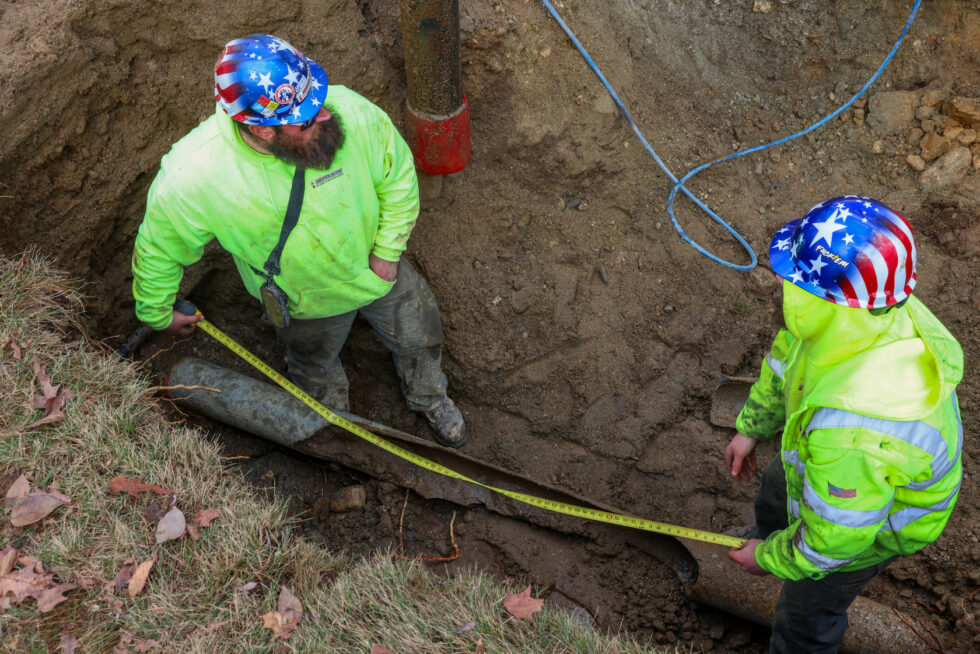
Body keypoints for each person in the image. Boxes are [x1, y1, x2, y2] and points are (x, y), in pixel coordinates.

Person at [131, 34, 468, 447]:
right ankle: (338, 429)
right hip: (305, 301)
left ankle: (429, 396)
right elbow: (159, 247)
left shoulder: (351, 112)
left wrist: (387, 252)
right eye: (305, 119)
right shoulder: (194, 176)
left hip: (376, 271)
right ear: (261, 129)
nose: (325, 115)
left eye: (318, 99)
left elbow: (397, 177)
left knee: (419, 334)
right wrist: (157, 310)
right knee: (314, 367)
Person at [724, 196, 963, 653]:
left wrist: (776, 560)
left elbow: (835, 540)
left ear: (828, 302)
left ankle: (785, 586)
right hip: (827, 474)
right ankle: (768, 539)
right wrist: (752, 426)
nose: (778, 278)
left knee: (804, 617)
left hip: (866, 528)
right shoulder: (852, 317)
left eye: (792, 278)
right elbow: (784, 363)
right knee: (776, 491)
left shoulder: (857, 430)